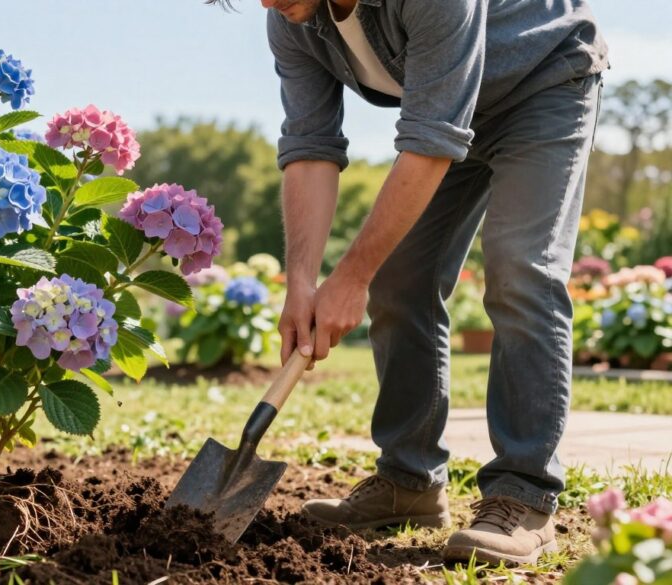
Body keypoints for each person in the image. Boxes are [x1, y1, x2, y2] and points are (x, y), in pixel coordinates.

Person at [206, 0, 608, 566]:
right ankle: (410, 481)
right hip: (446, 113)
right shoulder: (293, 22)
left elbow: (431, 135)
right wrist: (302, 281)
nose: (265, 2)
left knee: (522, 269)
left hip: (541, 85)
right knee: (399, 279)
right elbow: (311, 146)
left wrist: (350, 277)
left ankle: (524, 494)